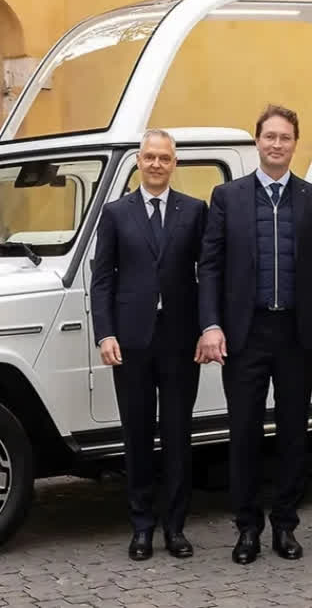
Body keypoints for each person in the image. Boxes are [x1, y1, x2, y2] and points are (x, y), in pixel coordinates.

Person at [196, 104, 312, 564]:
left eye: (285, 138)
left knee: (295, 434)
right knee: (243, 434)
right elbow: (210, 268)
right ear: (256, 142)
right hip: (245, 335)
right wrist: (211, 324)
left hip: (296, 334)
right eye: (269, 137)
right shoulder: (228, 197)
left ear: (295, 144)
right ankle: (246, 529)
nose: (276, 144)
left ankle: (285, 525)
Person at [89, 129, 208, 561]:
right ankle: (141, 527)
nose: (157, 164)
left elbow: (207, 274)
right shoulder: (116, 213)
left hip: (180, 341)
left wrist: (208, 327)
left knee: (178, 436)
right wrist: (106, 333)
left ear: (174, 163)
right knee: (137, 436)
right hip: (131, 342)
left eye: (165, 158)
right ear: (138, 161)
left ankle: (175, 528)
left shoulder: (194, 211)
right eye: (150, 157)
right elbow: (102, 279)